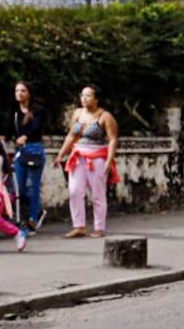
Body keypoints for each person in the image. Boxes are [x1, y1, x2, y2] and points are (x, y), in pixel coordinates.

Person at [55, 86, 119, 239]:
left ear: (96, 99)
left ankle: (98, 227)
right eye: (82, 95)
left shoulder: (105, 116)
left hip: (97, 158)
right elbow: (71, 135)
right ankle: (79, 226)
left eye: (88, 95)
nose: (84, 98)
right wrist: (60, 154)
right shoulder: (77, 113)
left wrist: (109, 161)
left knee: (98, 194)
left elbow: (112, 140)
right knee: (74, 191)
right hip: (78, 156)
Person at [10, 80, 48, 233]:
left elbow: (36, 127)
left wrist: (26, 136)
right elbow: (9, 130)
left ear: (29, 93)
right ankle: (36, 210)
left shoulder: (37, 111)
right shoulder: (14, 112)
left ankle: (32, 218)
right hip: (20, 151)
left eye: (23, 90)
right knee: (19, 189)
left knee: (33, 187)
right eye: (17, 90)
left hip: (34, 149)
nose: (19, 93)